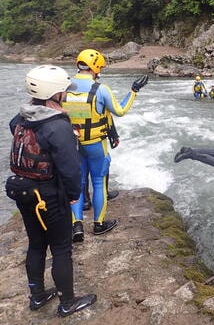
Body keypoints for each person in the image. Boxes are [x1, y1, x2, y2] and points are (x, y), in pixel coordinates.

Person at [7, 65, 96, 316]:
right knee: (61, 248)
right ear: (53, 93)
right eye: (63, 91)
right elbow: (70, 170)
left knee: (36, 244)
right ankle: (67, 302)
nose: (67, 94)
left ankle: (37, 296)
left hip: (23, 191)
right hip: (48, 195)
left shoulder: (23, 116)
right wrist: (73, 196)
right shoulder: (58, 126)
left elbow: (13, 126)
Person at [62, 49, 148, 243]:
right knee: (99, 182)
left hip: (73, 145)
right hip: (95, 145)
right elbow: (120, 111)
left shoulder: (64, 86)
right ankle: (98, 224)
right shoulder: (101, 89)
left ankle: (77, 225)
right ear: (95, 67)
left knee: (79, 182)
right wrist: (134, 91)